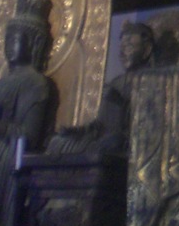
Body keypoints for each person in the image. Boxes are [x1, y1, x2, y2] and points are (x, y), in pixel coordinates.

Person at [0, 0, 55, 226]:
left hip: (4, 158)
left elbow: (26, 136)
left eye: (16, 38)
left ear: (33, 43)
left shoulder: (36, 83)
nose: (9, 44)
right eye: (7, 37)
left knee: (0, 154)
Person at [48, 21, 156, 155]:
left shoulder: (153, 82)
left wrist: (119, 104)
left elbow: (147, 126)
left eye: (129, 47)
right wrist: (78, 131)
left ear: (147, 49)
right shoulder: (117, 82)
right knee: (56, 142)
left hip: (126, 140)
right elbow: (99, 125)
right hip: (102, 138)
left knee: (110, 144)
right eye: (121, 48)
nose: (123, 53)